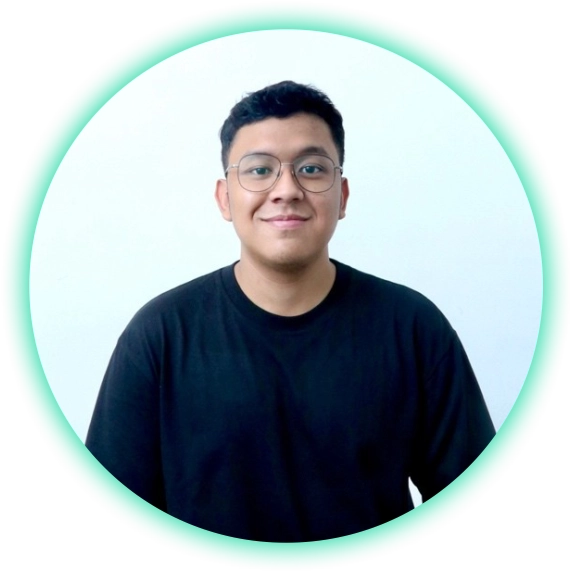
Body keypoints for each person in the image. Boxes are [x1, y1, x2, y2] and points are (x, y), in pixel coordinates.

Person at [86, 80, 495, 543]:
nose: (286, 190)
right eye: (259, 170)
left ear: (342, 196)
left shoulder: (412, 328)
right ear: (224, 198)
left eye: (311, 169)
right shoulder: (159, 336)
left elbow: (473, 511)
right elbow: (109, 525)